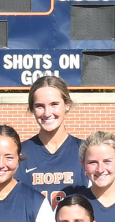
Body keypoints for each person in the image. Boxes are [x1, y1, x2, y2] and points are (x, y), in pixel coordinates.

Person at [17, 76, 81, 208]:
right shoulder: (20, 154)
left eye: (54, 104)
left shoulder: (85, 151)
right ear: (32, 109)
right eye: (40, 106)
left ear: (67, 105)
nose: (47, 113)